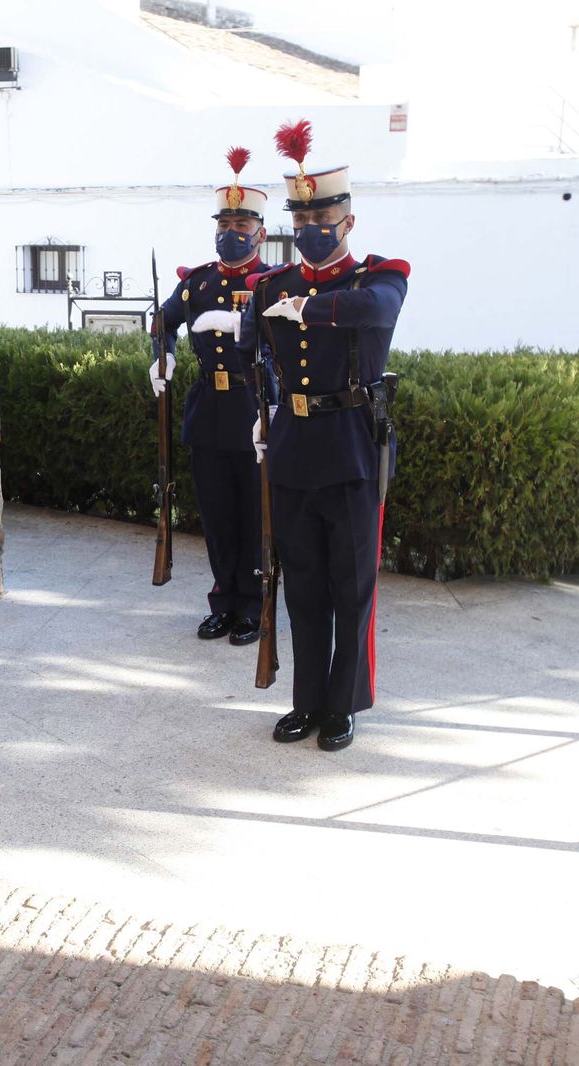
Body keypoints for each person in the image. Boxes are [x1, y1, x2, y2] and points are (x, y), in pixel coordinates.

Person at [242, 118, 409, 752]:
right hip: (292, 450)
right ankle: (306, 702)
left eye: (323, 220)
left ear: (347, 223)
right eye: (300, 219)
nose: (309, 230)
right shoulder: (273, 286)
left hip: (351, 451)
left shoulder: (377, 277)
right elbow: (257, 351)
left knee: (351, 587)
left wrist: (311, 307)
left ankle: (344, 705)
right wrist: (264, 408)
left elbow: (379, 313)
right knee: (303, 586)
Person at [150, 148, 275, 646]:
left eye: (242, 224)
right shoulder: (197, 282)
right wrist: (166, 355)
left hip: (253, 410)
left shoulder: (273, 285)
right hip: (209, 410)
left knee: (253, 514)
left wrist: (245, 330)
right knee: (218, 514)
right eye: (225, 222)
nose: (232, 232)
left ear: (261, 233)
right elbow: (163, 321)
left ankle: (254, 604)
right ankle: (223, 600)